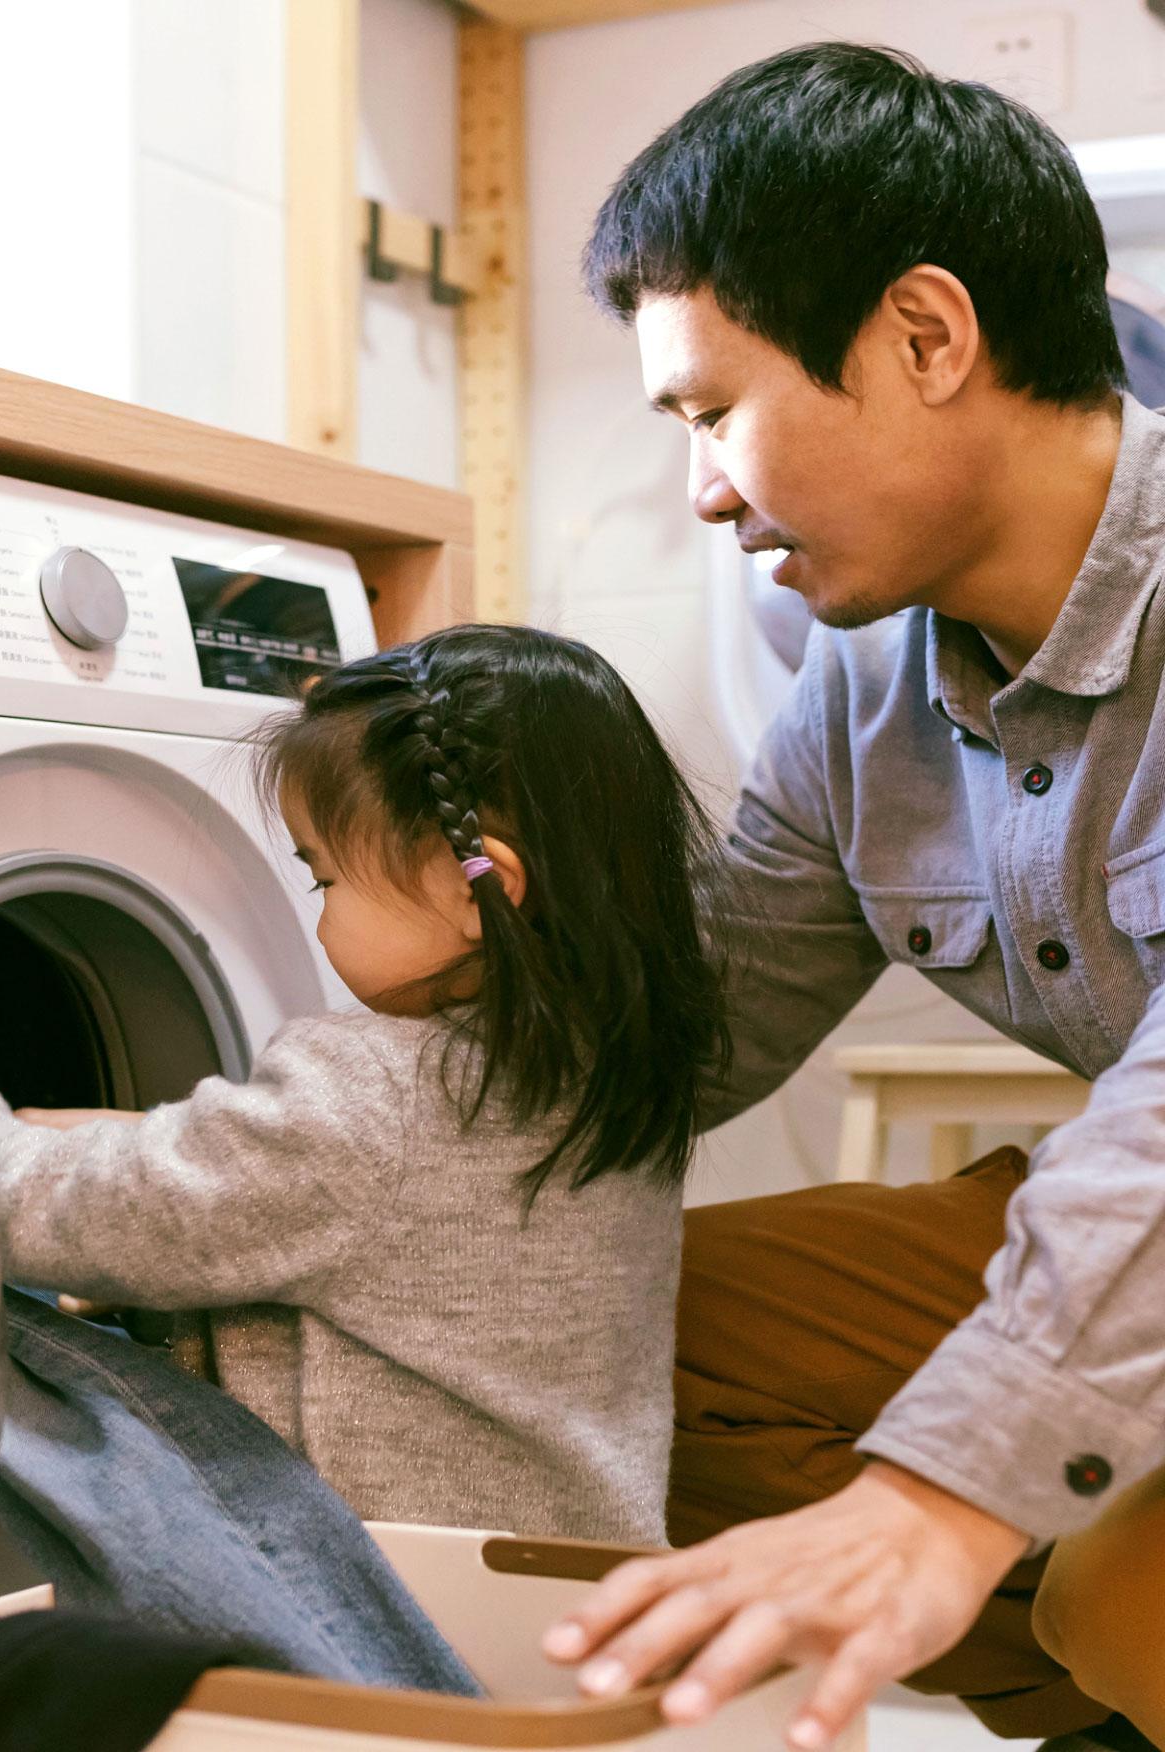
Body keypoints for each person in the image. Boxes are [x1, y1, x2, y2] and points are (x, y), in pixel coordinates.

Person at [539, 41, 1165, 1752]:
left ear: (921, 336)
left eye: (715, 409)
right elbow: (686, 1033)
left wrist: (944, 1493)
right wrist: (234, 1173)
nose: (705, 489)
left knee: (1107, 1592)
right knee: (614, 1339)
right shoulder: (863, 693)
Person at [0, 624, 731, 1545]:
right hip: (561, 1579)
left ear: (471, 887)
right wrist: (134, 1135)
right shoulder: (607, 1077)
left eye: (324, 877)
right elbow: (345, 1206)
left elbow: (30, 1206)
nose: (320, 914)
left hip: (378, 1603)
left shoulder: (369, 1096)